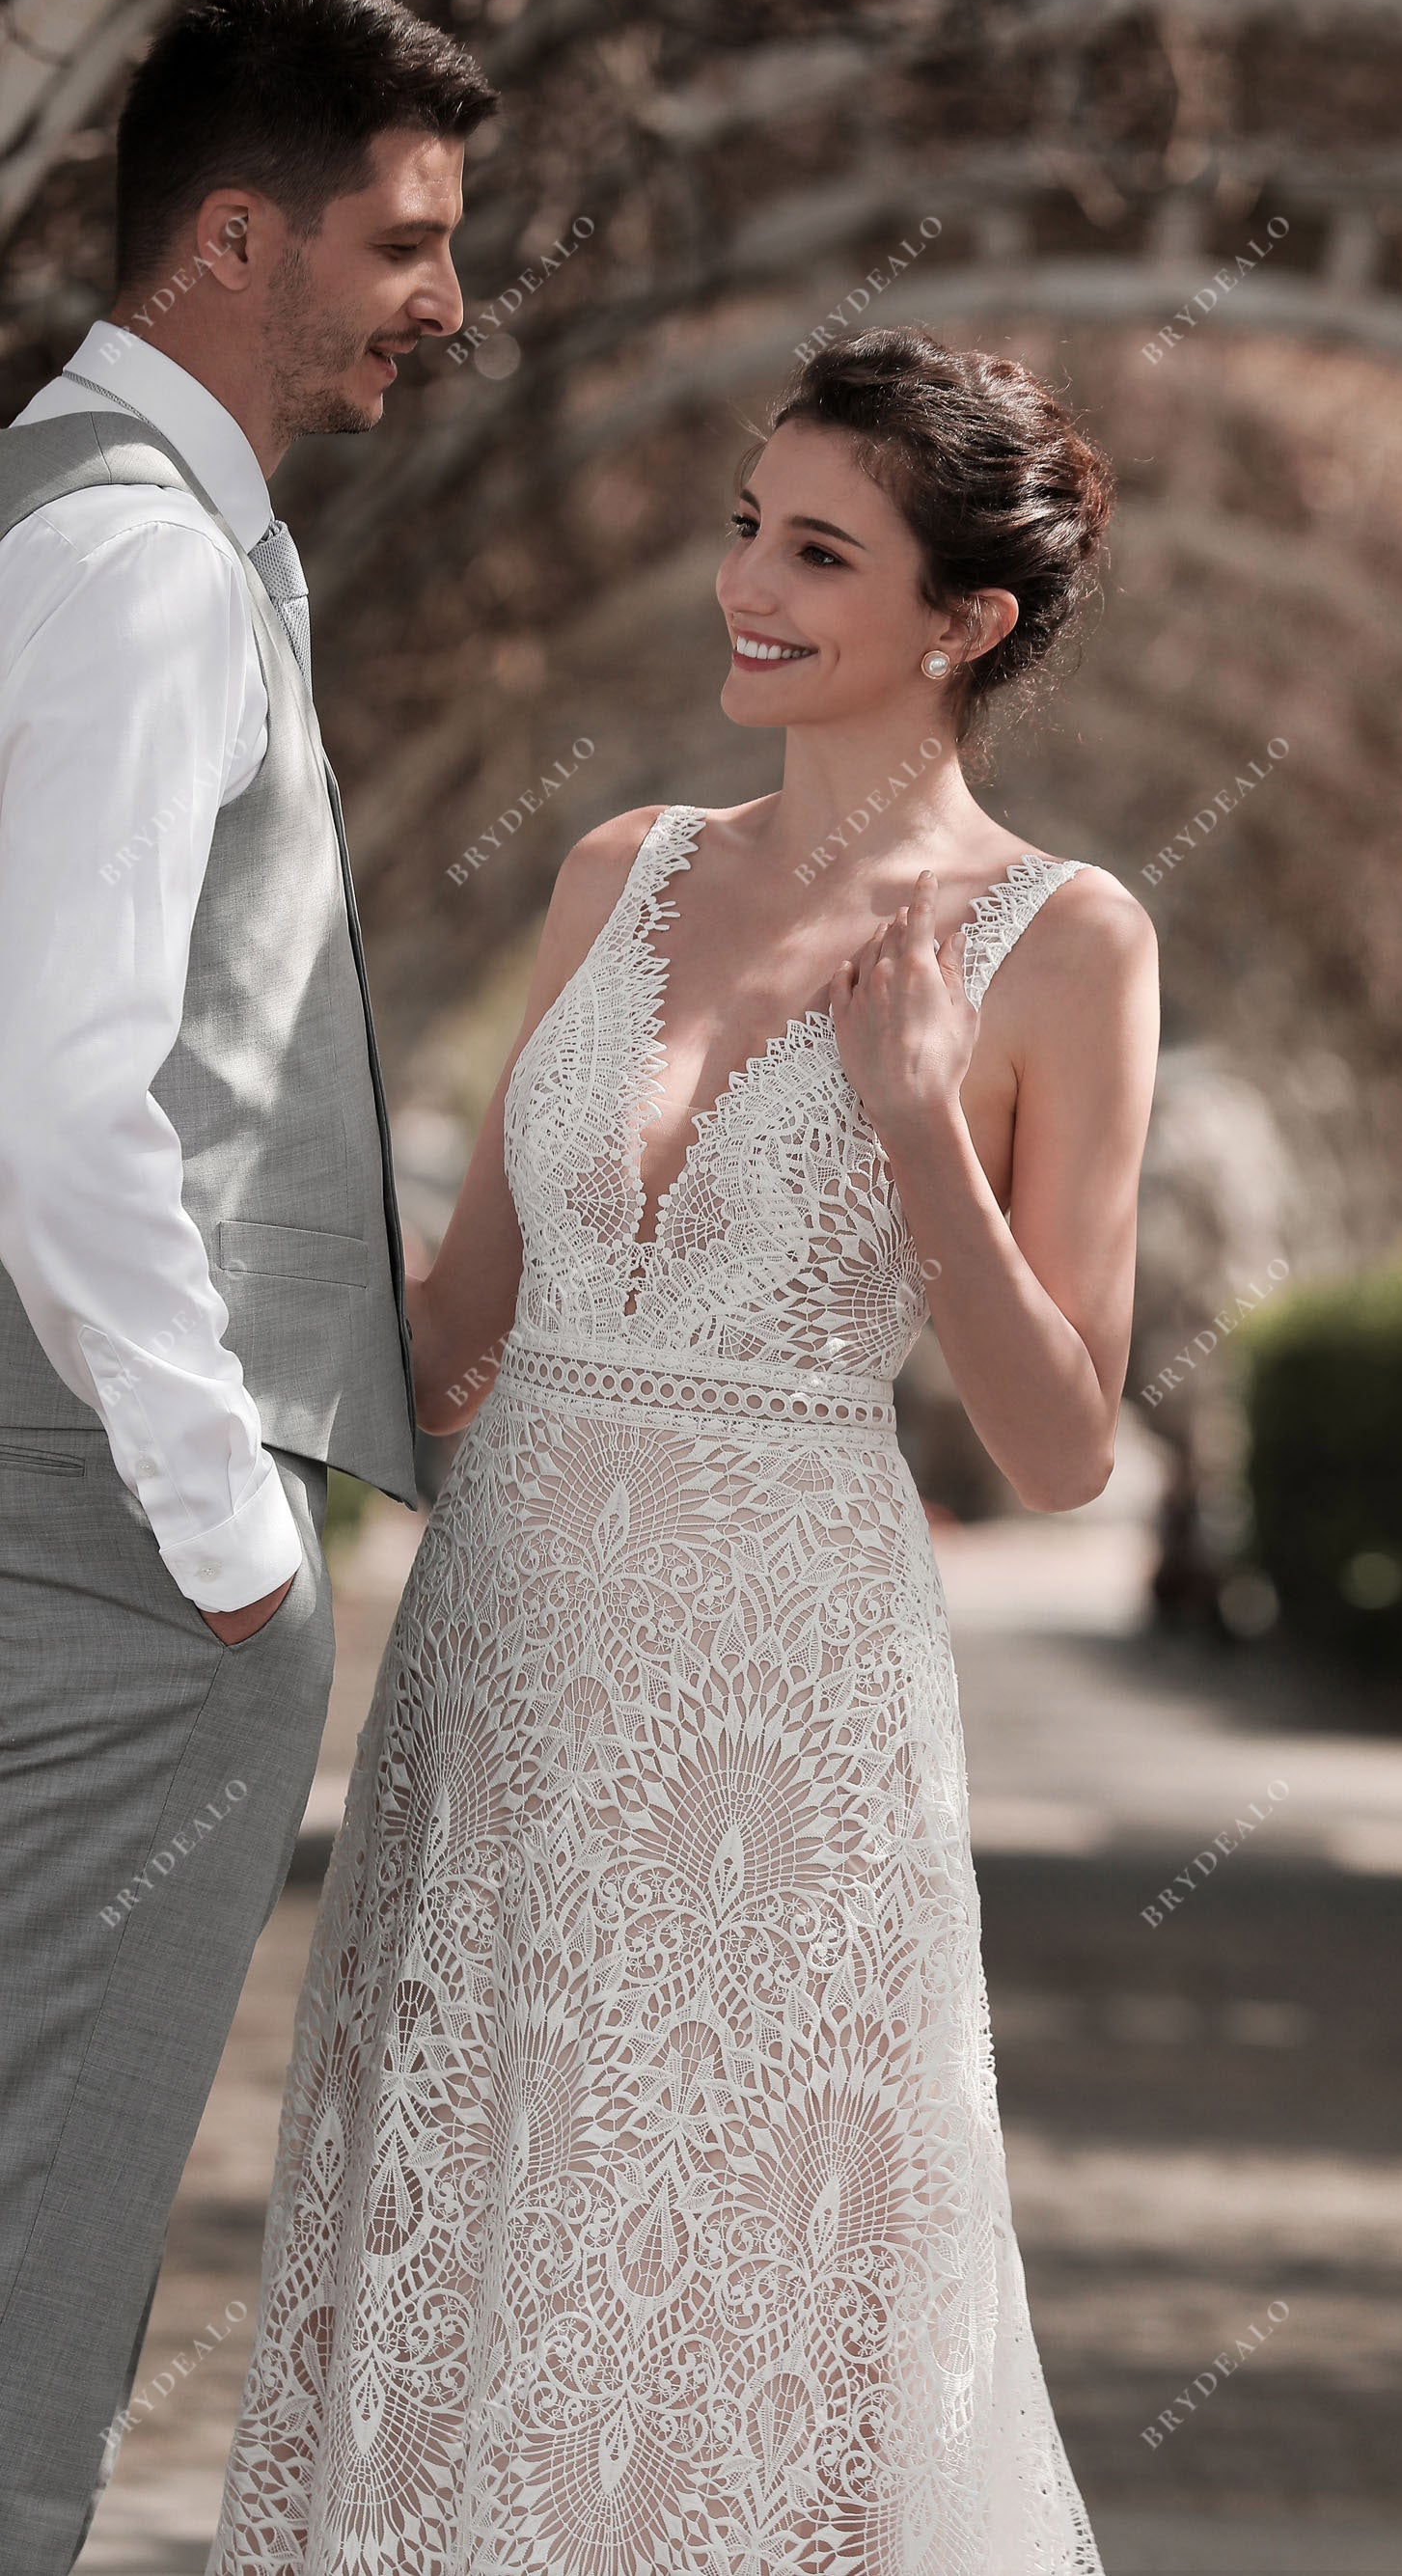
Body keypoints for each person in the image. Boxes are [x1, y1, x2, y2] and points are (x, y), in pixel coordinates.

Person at [210, 326, 1159, 2572]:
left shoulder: (1067, 941)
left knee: (737, 2246)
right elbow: (456, 1330)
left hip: (783, 1711)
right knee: (477, 2205)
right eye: (746, 524)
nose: (744, 578)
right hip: (502, 1669)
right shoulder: (615, 871)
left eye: (817, 551)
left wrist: (923, 1128)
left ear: (966, 620)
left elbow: (1060, 1449)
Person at [0, 0, 494, 2566]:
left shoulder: (119, 528)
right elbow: (63, 1101)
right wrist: (231, 1540)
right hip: (98, 1536)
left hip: (77, 1511)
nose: (450, 297)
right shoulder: (131, 559)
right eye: (406, 239)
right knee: (41, 2240)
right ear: (231, 233)